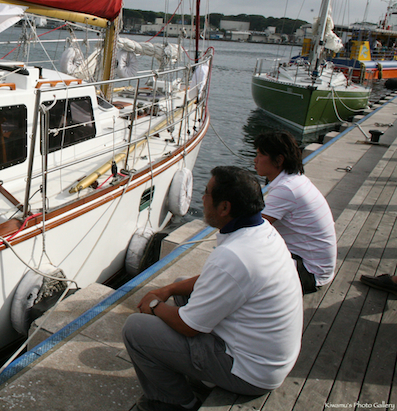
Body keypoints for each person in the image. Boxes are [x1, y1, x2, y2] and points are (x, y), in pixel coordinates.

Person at [122, 166, 302, 411]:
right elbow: (219, 278)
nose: (202, 197)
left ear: (224, 207)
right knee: (182, 287)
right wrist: (168, 290)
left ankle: (177, 402)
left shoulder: (234, 256)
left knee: (136, 329)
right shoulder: (262, 232)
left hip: (249, 373)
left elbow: (187, 327)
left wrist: (154, 305)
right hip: (267, 360)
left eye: (206, 193)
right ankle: (196, 375)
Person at [254, 130, 336, 293]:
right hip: (315, 266)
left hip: (309, 272)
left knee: (243, 264)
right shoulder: (295, 180)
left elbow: (251, 229)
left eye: (260, 155)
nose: (255, 160)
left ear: (279, 160)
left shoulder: (286, 189)